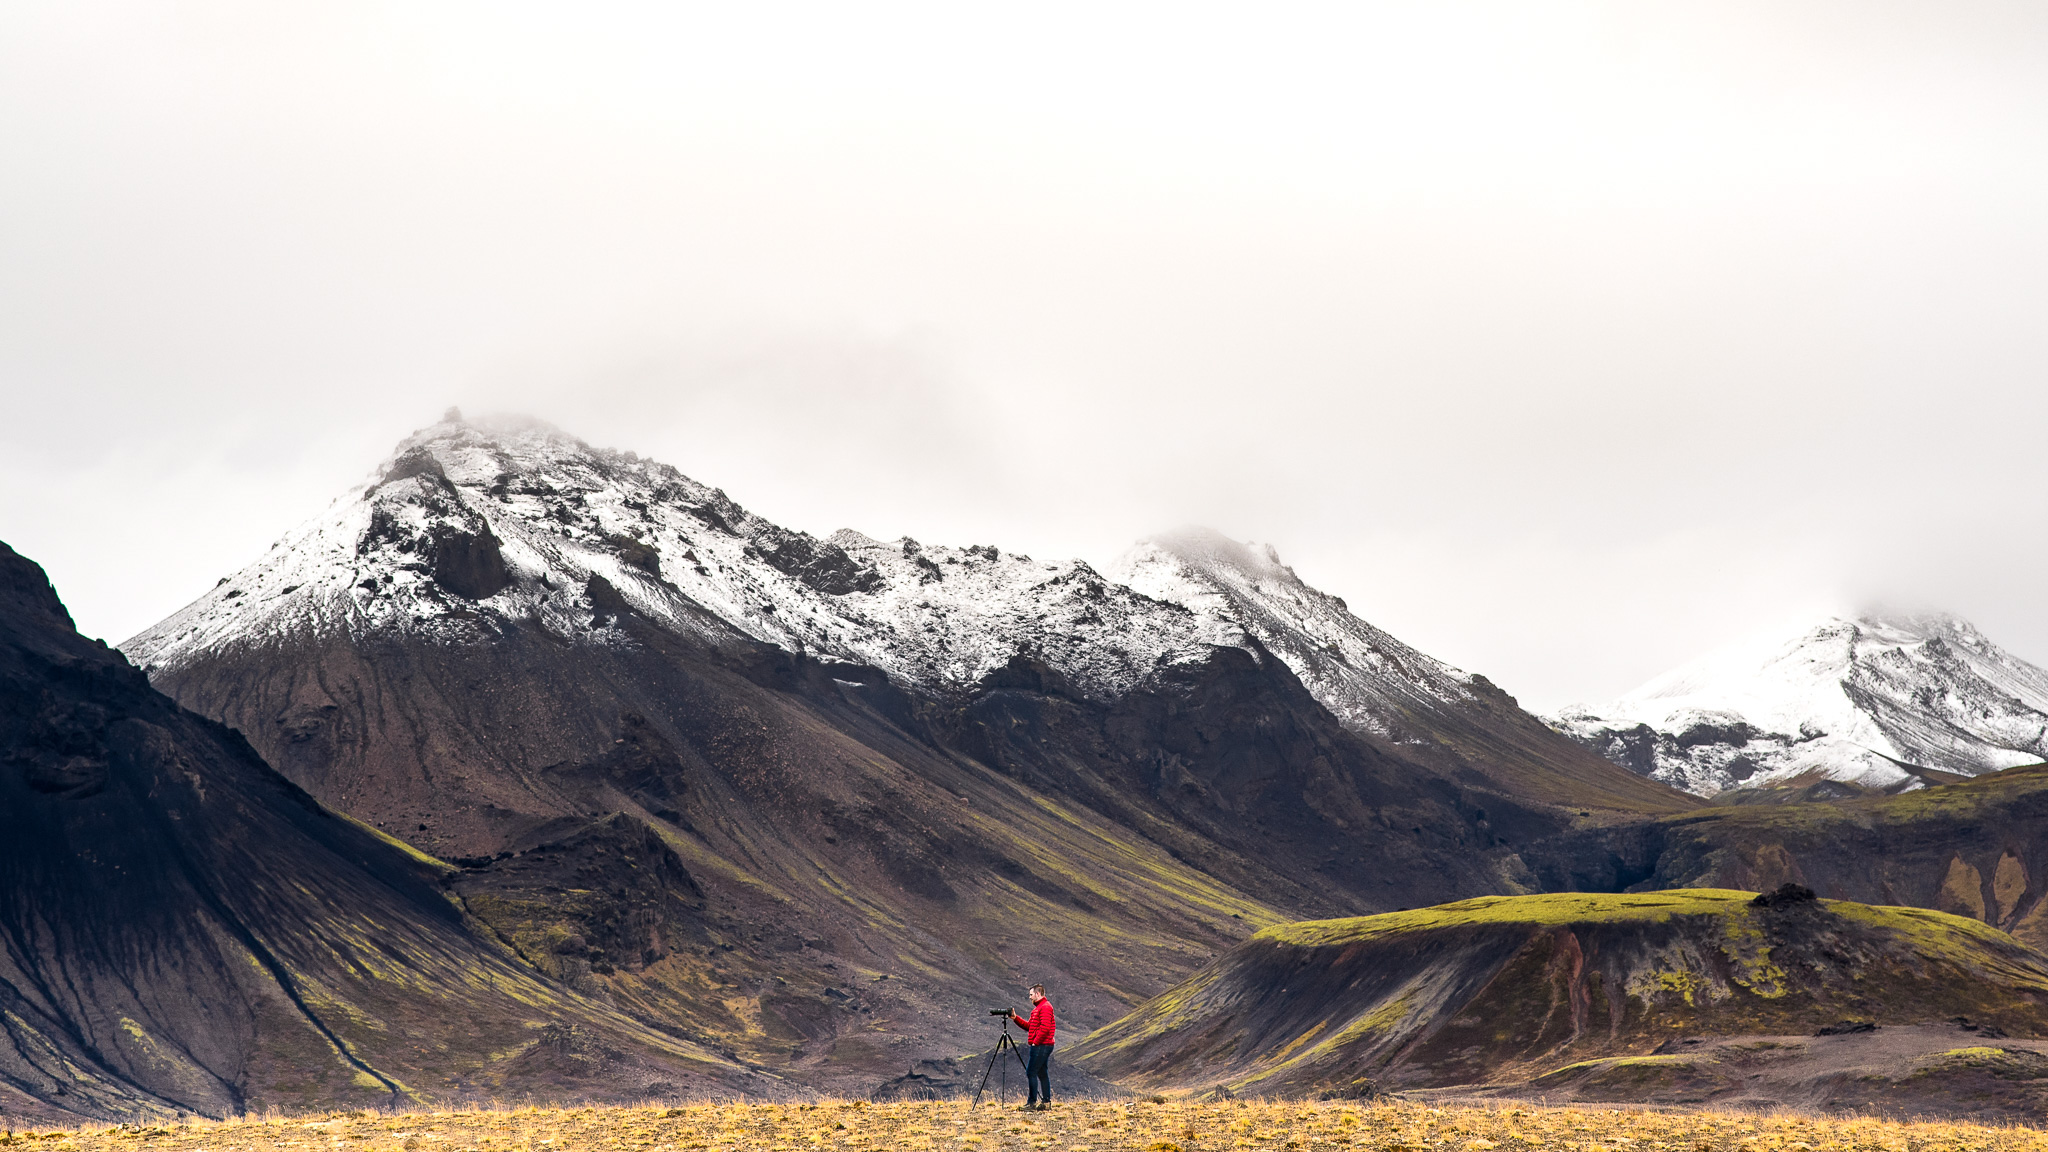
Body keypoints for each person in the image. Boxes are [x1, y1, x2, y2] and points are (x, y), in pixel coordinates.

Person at [1010, 984, 1056, 1110]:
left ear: (1038, 994)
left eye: (1031, 995)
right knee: (1042, 1073)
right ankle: (1046, 1103)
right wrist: (1015, 1018)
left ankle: (1032, 1103)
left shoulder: (1045, 1007)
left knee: (1031, 1072)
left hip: (1042, 1045)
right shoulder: (1038, 1009)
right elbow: (1030, 1027)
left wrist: (1036, 1042)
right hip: (1043, 1044)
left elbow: (1045, 1028)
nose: (1030, 997)